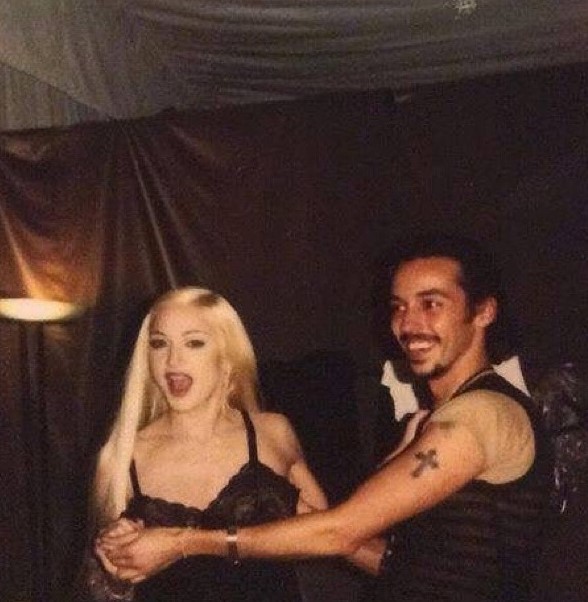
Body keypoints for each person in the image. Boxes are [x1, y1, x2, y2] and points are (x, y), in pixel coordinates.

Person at [97, 234, 553, 601]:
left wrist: (183, 541)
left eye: (431, 303)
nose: (409, 323)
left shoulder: (480, 416)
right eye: (398, 306)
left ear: (483, 311)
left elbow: (341, 532)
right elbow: (388, 557)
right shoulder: (441, 418)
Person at [83, 286, 331, 601]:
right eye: (159, 343)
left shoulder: (271, 433)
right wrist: (116, 568)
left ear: (227, 357)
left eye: (194, 343)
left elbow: (330, 537)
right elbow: (106, 588)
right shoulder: (123, 456)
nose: (173, 359)